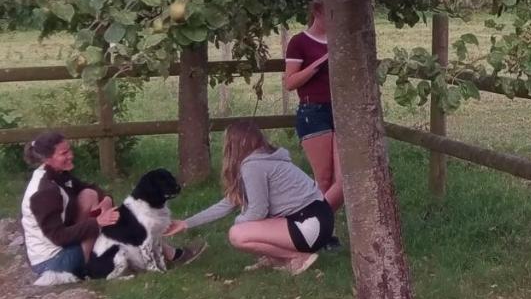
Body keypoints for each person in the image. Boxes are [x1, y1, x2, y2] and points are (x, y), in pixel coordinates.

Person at [19, 131, 199, 283]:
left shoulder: (57, 174)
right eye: (64, 153)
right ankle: (97, 268)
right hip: (53, 261)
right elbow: (58, 237)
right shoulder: (43, 192)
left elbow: (89, 188)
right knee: (114, 226)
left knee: (90, 196)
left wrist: (105, 199)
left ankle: (158, 255)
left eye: (70, 150)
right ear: (48, 158)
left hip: (64, 247)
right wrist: (97, 222)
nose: (71, 155)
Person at [167, 120, 334, 274]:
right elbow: (228, 203)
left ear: (233, 145)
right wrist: (187, 223)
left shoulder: (253, 165)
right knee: (245, 228)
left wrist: (239, 222)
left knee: (238, 235)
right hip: (318, 222)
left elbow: (258, 211)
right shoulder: (263, 158)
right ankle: (275, 258)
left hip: (309, 225)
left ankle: (297, 257)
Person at [284, 0, 343, 219]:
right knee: (324, 178)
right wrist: (319, 64)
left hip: (341, 111)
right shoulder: (300, 42)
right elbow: (290, 82)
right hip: (314, 111)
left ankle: (313, 225)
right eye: (331, 12)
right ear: (317, 12)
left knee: (343, 180)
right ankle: (320, 231)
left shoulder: (340, 39)